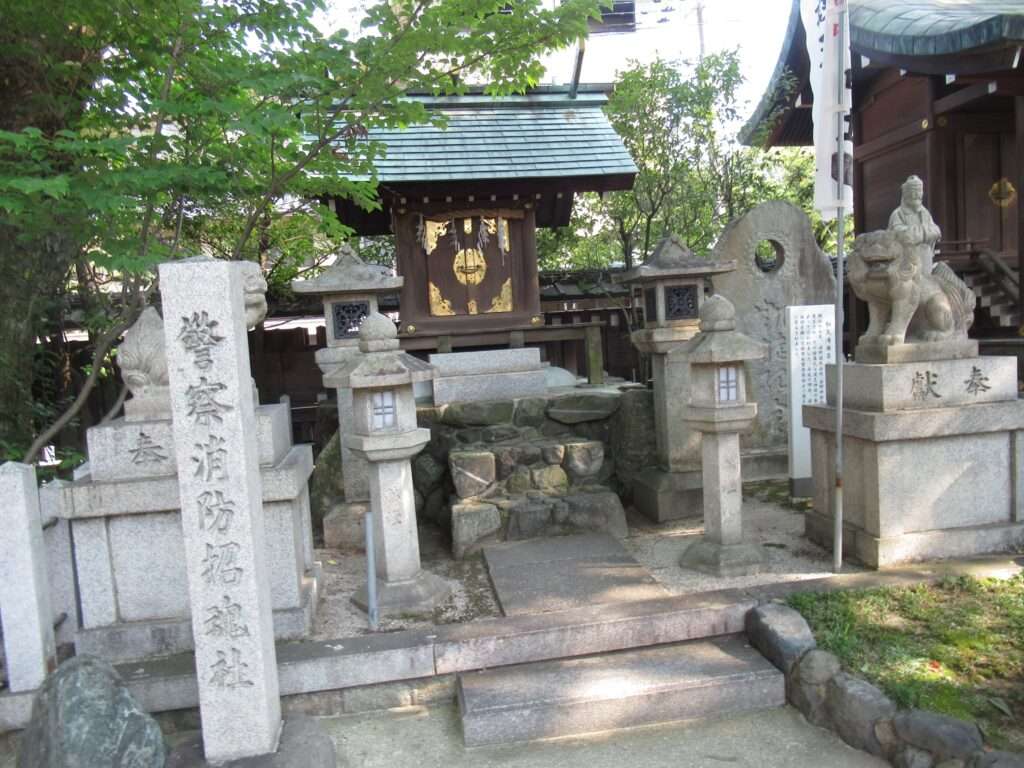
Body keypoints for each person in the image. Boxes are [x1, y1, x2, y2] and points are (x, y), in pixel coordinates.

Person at [888, 175, 941, 274]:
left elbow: (936, 231)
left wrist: (922, 233)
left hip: (925, 257)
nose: (916, 195)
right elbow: (898, 234)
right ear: (906, 194)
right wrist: (924, 232)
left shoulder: (924, 212)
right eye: (913, 192)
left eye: (919, 191)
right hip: (905, 260)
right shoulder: (898, 214)